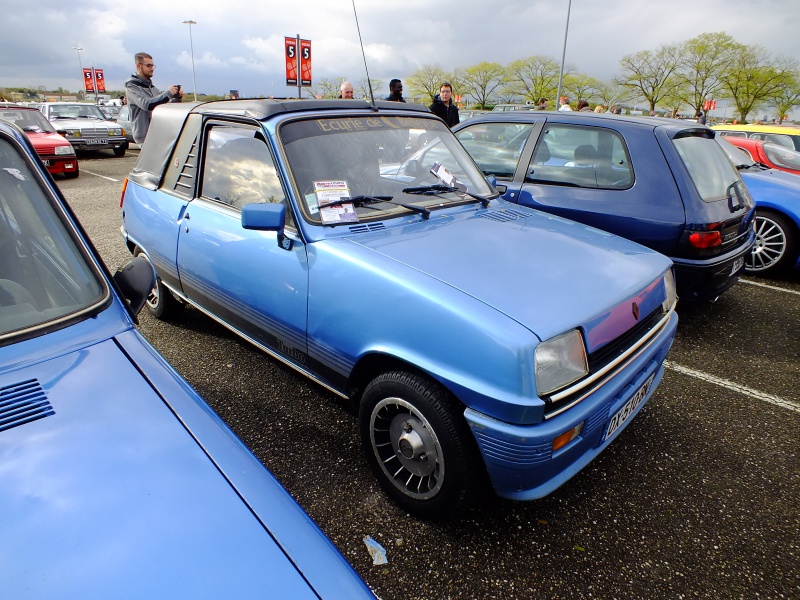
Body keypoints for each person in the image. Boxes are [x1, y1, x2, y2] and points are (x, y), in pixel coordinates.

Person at [125, 52, 183, 144]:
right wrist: (168, 93)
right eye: (148, 66)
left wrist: (177, 97)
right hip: (145, 137)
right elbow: (147, 105)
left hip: (157, 135)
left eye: (153, 66)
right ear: (139, 66)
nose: (152, 69)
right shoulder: (132, 87)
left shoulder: (153, 88)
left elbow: (163, 106)